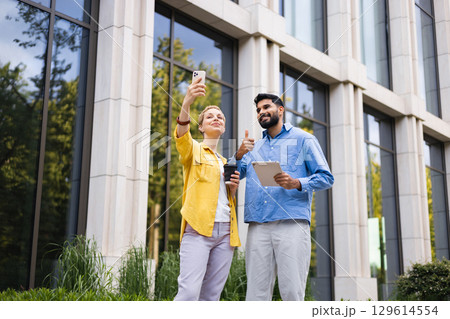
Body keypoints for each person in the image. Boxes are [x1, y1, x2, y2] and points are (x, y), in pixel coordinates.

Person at [234, 93, 334, 301]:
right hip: (258, 225)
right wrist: (239, 154)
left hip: (291, 223)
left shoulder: (303, 139)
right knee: (255, 294)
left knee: (292, 291)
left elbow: (326, 177)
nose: (261, 112)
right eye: (259, 110)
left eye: (266, 107)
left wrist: (297, 183)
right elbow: (231, 175)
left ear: (280, 110)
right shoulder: (254, 147)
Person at [173, 76, 241, 301]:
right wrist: (187, 103)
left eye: (220, 117)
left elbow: (223, 198)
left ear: (223, 127)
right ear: (200, 126)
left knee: (211, 297)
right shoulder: (193, 150)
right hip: (199, 230)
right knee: (189, 293)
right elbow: (182, 135)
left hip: (226, 234)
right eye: (210, 116)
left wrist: (232, 189)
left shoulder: (225, 161)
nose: (216, 118)